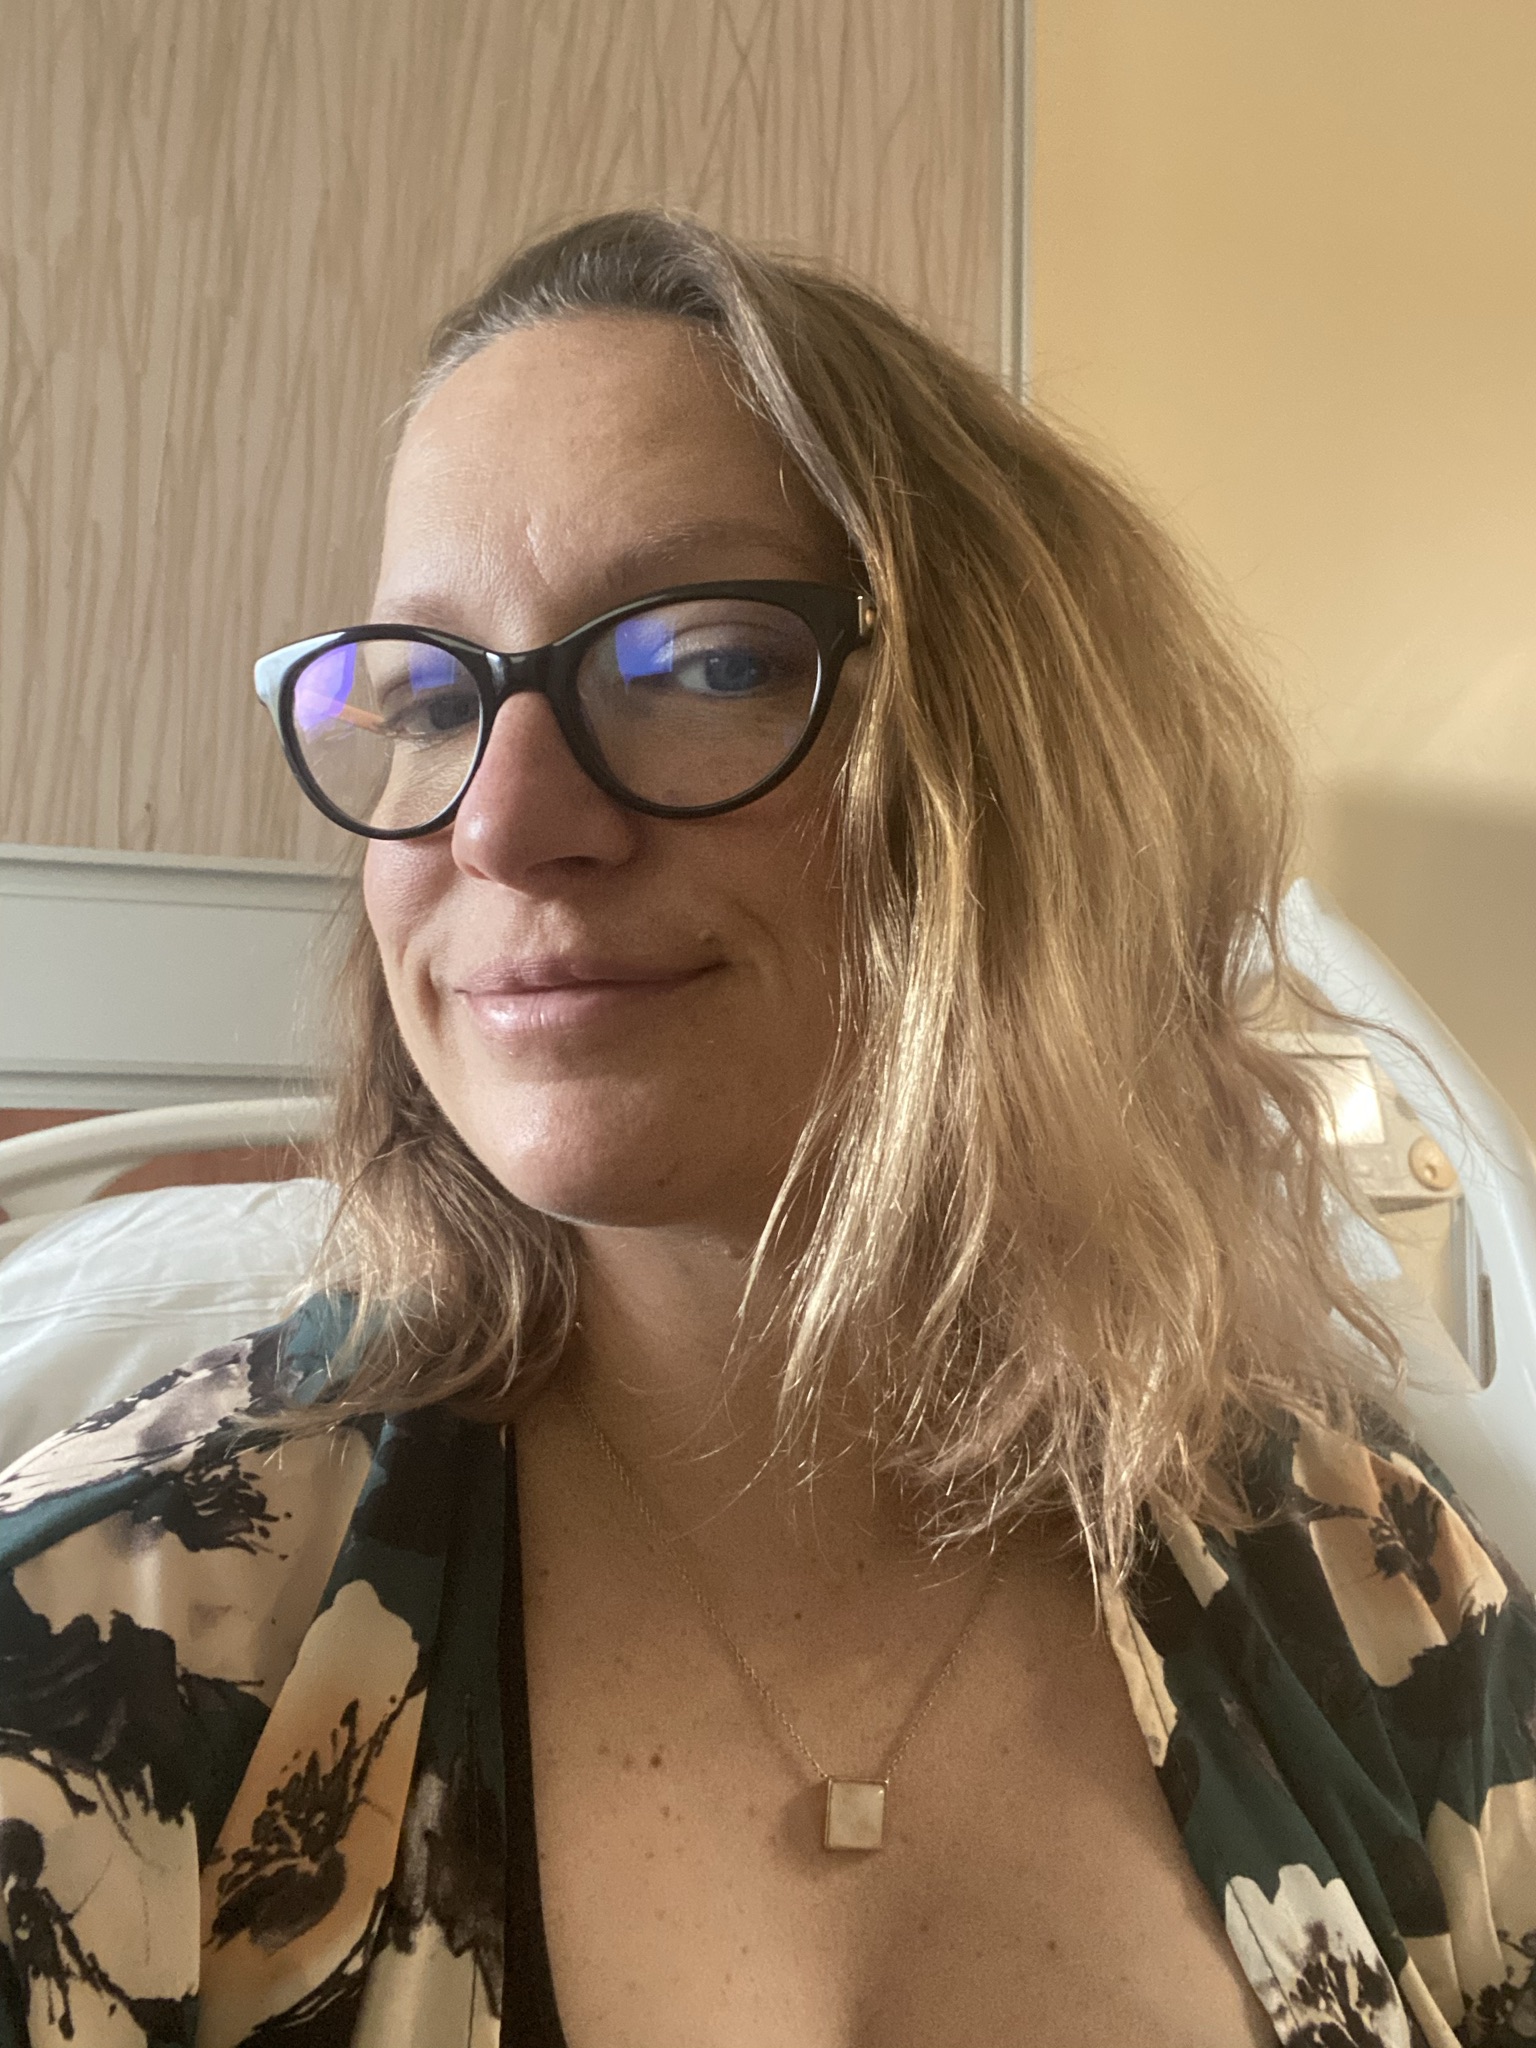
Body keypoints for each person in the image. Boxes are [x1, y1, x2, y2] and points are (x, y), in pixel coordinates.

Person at [0, 209, 1532, 2048]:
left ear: (1028, 771)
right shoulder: (92, 1655)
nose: (499, 826)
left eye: (704, 662)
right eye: (425, 697)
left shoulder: (1374, 1582)